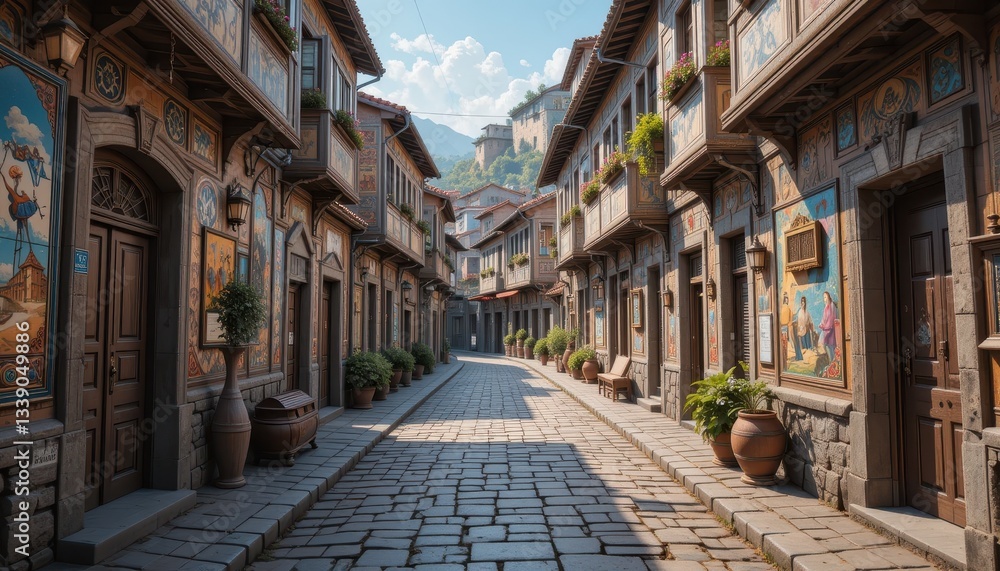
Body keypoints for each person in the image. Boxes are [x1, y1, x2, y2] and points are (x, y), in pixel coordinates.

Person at [818, 291, 838, 362]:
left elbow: (832, 318)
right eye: (824, 297)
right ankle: (831, 362)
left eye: (825, 297)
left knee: (831, 346)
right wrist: (821, 324)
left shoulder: (832, 306)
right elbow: (824, 318)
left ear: (829, 297)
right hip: (826, 329)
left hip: (830, 329)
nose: (824, 299)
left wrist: (826, 327)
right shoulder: (826, 307)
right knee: (826, 345)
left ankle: (833, 362)